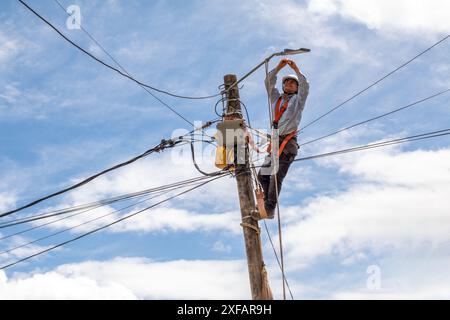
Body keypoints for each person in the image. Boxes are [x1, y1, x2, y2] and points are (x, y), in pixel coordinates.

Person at [256, 58, 309, 219]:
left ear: (297, 88)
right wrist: (279, 67)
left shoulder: (298, 100)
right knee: (262, 176)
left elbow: (305, 87)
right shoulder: (276, 98)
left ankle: (270, 208)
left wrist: (297, 70)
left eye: (293, 83)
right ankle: (264, 204)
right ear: (283, 85)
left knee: (275, 176)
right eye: (287, 83)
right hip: (276, 143)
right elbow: (268, 83)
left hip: (287, 144)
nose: (290, 85)